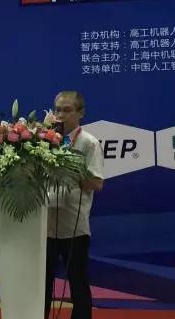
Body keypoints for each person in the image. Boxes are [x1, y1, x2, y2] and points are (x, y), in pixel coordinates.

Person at [45, 91, 104, 319]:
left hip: (74, 227)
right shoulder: (43, 141)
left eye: (67, 110)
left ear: (81, 113)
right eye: (57, 109)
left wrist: (70, 169)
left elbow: (97, 183)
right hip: (45, 227)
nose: (60, 115)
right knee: (42, 285)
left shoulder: (89, 143)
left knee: (78, 284)